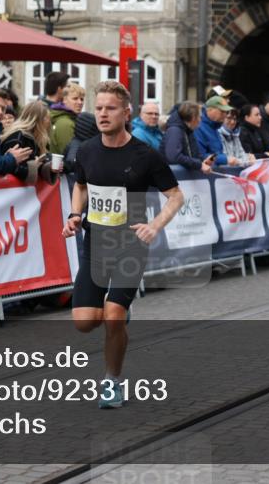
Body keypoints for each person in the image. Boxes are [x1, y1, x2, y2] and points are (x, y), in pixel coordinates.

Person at [62, 80, 183, 409]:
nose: (102, 114)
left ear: (126, 112)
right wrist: (75, 214)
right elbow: (81, 186)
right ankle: (118, 313)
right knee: (85, 322)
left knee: (113, 314)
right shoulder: (87, 150)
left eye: (109, 108)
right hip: (96, 243)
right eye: (98, 108)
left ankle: (112, 382)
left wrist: (155, 225)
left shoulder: (145, 155)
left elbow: (176, 197)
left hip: (131, 245)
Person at [1, 100, 52, 181]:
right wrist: (33, 167)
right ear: (37, 119)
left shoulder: (37, 138)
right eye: (46, 118)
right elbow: (12, 168)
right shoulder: (18, 137)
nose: (49, 121)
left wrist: (49, 167)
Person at [161, 102, 214, 174]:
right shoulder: (175, 130)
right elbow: (174, 156)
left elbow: (192, 155)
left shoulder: (188, 131)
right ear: (193, 118)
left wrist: (203, 161)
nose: (200, 120)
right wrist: (199, 165)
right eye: (199, 117)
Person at [194, 95, 239, 166]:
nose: (224, 115)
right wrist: (224, 159)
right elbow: (200, 156)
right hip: (204, 174)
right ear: (210, 109)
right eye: (222, 111)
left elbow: (216, 153)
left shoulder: (215, 127)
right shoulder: (198, 127)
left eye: (226, 112)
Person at [49, 83, 85, 154]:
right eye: (75, 98)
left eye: (82, 99)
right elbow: (71, 155)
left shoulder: (68, 118)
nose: (80, 102)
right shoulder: (65, 123)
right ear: (65, 100)